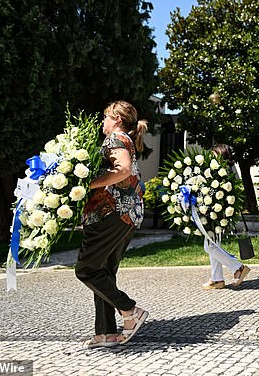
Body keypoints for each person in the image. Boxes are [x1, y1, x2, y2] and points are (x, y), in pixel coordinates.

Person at [75, 100, 149, 348]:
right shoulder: (125, 139)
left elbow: (123, 169)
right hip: (127, 214)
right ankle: (105, 333)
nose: (102, 122)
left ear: (117, 119)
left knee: (86, 269)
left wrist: (87, 184)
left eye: (106, 116)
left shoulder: (115, 139)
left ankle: (130, 310)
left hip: (110, 213)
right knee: (104, 271)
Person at [201, 144, 250, 290]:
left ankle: (238, 267)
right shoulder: (221, 172)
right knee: (213, 245)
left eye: (214, 154)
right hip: (214, 214)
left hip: (218, 214)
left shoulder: (222, 173)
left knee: (210, 246)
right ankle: (217, 279)